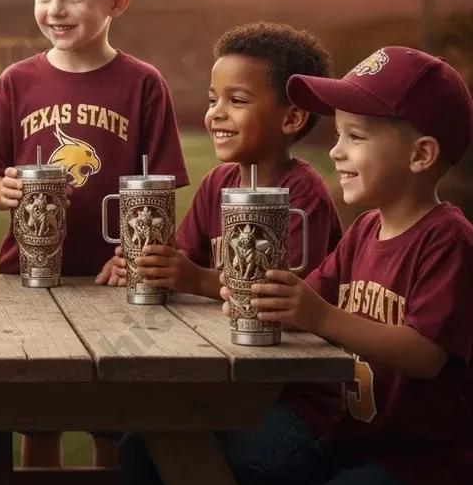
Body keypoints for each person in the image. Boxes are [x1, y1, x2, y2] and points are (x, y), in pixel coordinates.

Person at [119, 46, 473, 485]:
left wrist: (319, 316)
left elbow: (427, 354)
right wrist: (254, 293)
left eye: (356, 137)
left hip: (427, 475)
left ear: (420, 155)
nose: (334, 152)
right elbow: (304, 292)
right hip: (355, 449)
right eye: (337, 135)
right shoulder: (367, 231)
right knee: (159, 456)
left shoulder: (448, 240)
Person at [0, 0, 189, 485]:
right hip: (29, 277)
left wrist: (140, 254)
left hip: (110, 278)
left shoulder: (143, 82)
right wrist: (1, 193)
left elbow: (161, 186)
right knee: (37, 415)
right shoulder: (15, 81)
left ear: (116, 1)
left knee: (109, 415)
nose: (54, 9)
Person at [137, 22, 342, 298]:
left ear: (291, 118)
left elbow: (287, 295)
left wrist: (198, 281)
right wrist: (149, 264)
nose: (216, 113)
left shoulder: (303, 192)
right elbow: (183, 258)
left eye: (237, 100)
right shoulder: (216, 184)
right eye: (212, 100)